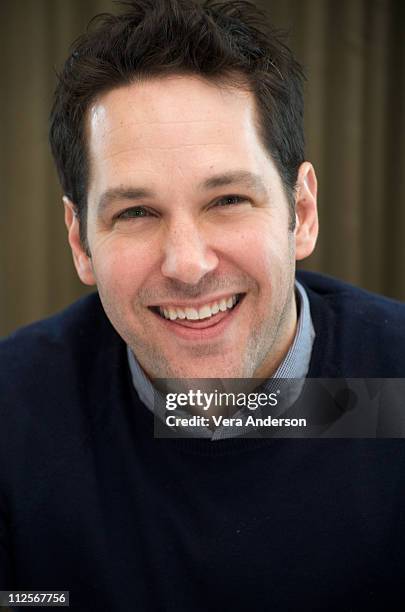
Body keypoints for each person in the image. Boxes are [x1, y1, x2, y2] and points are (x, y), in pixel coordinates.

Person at [1, 0, 404, 610]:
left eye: (229, 200)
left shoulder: (395, 386)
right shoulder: (12, 411)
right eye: (135, 212)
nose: (187, 264)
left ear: (300, 213)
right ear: (81, 240)